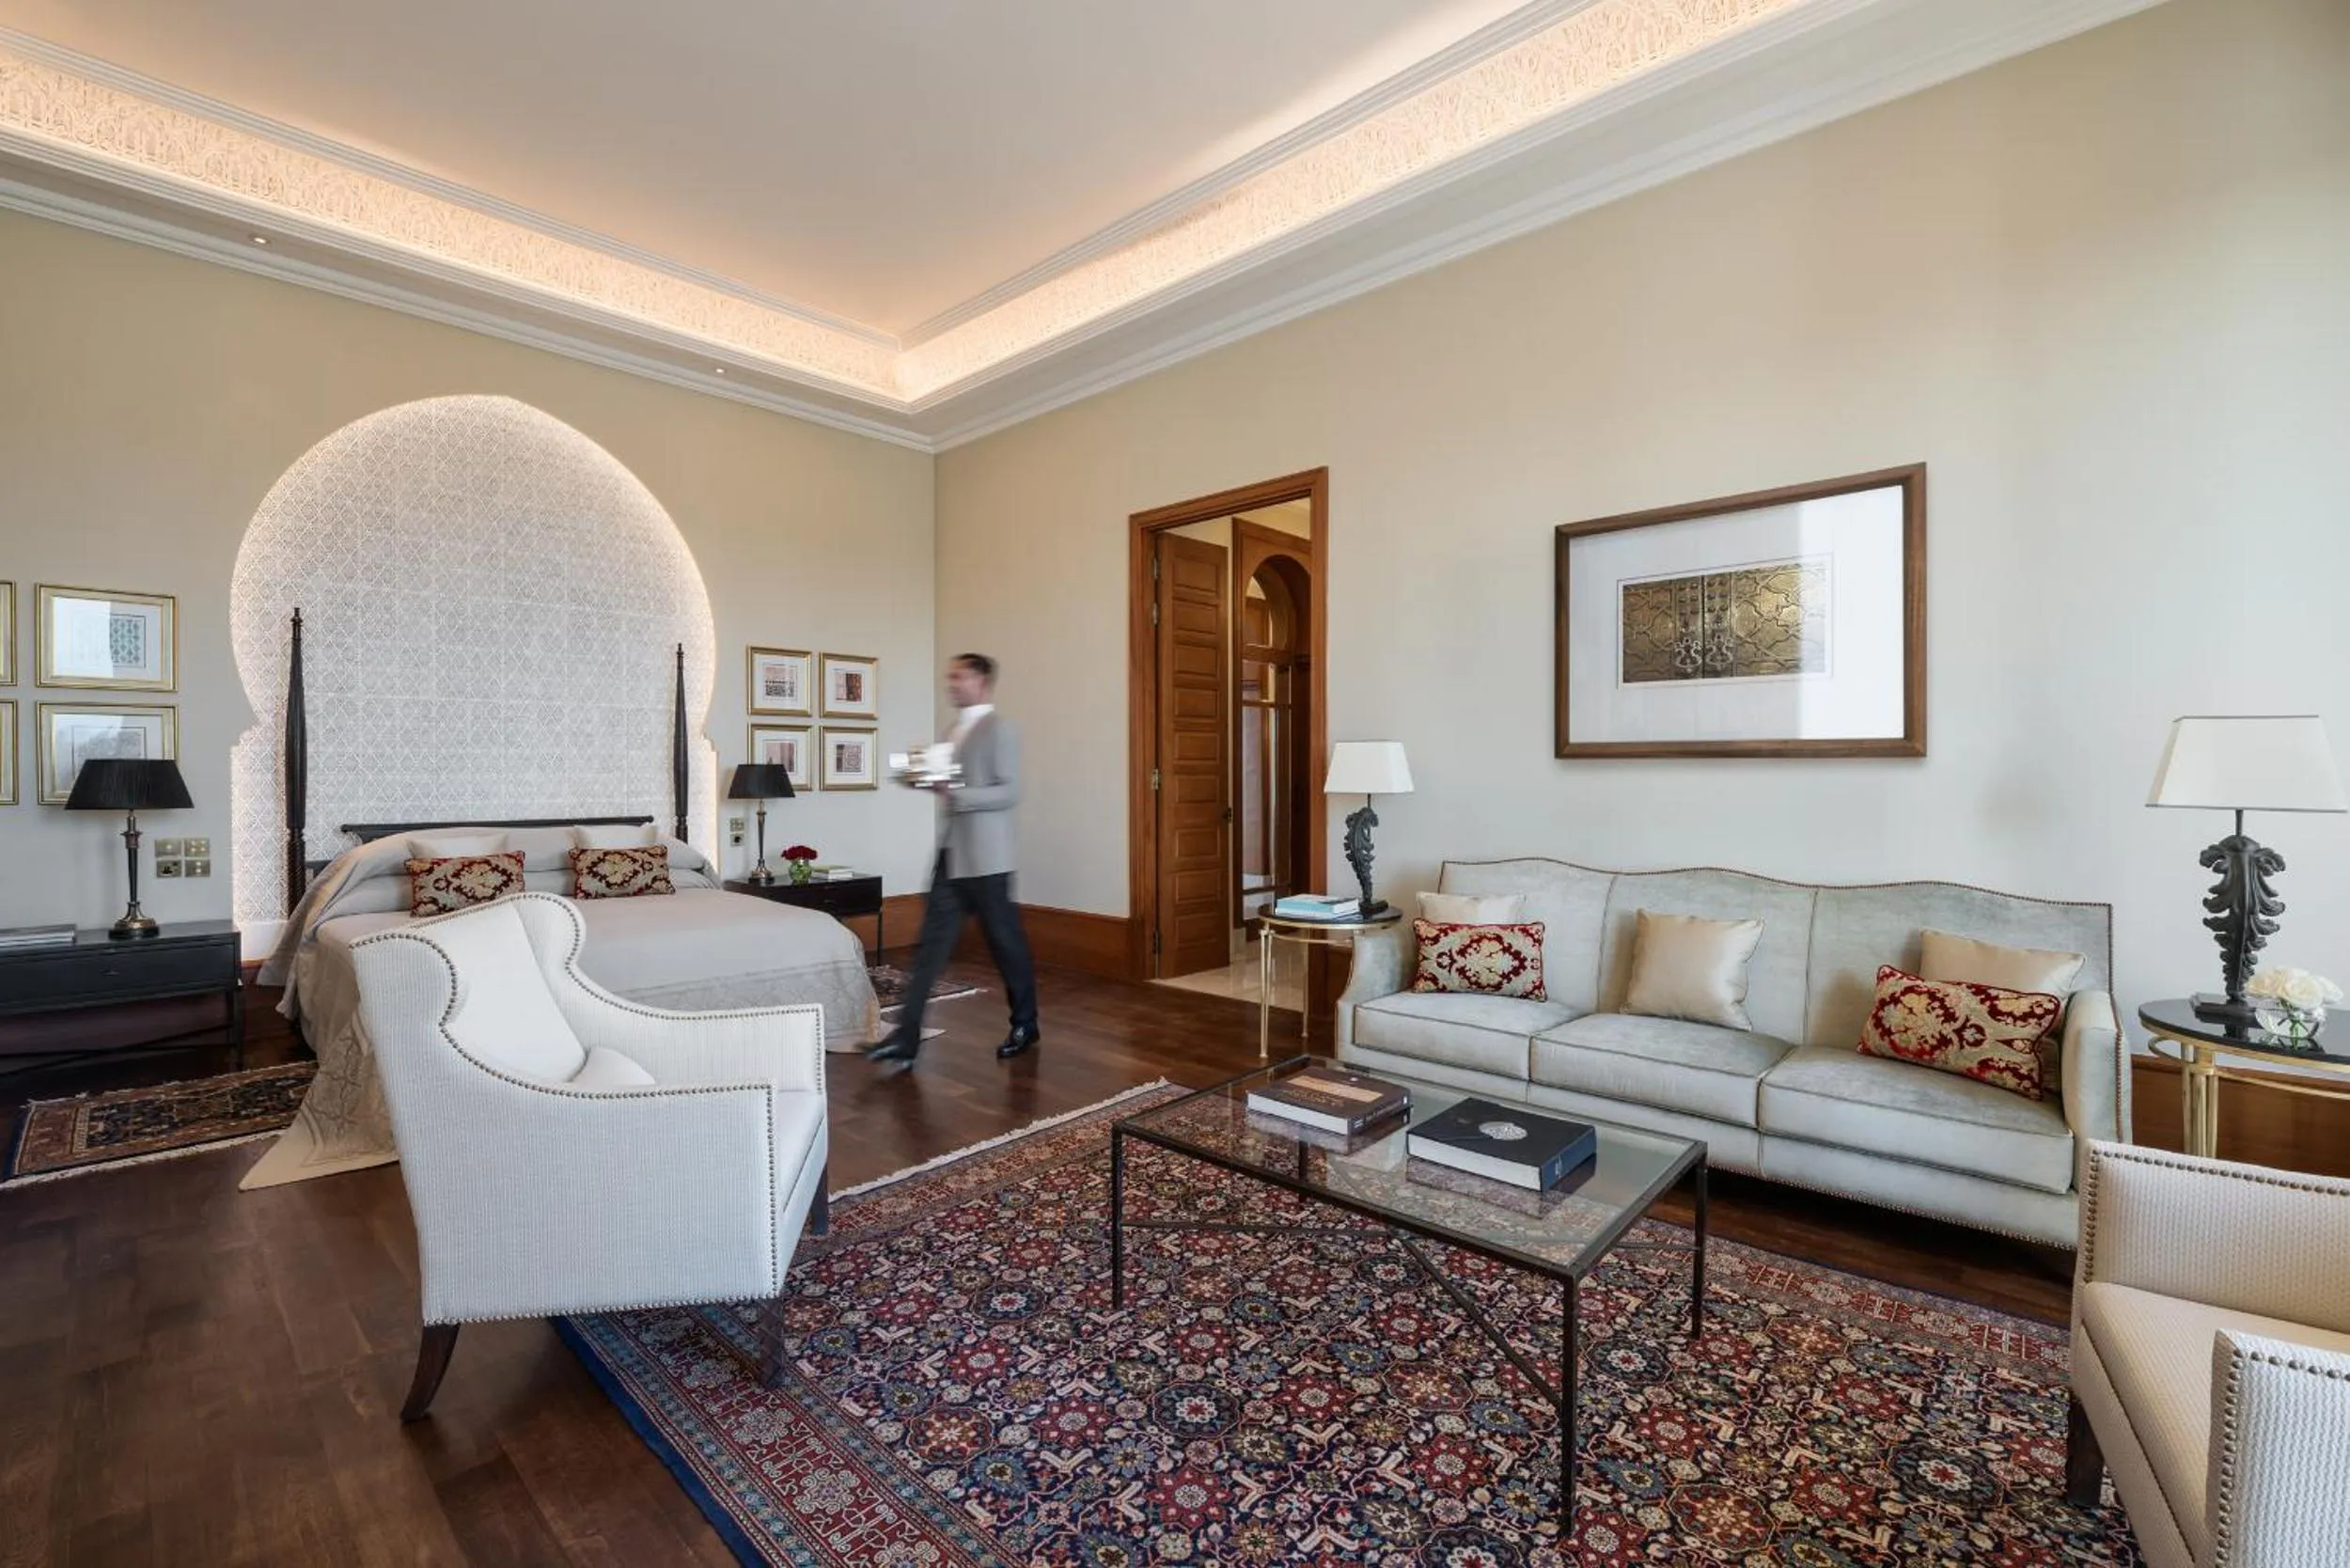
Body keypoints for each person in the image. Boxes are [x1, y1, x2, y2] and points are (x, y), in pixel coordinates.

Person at [865, 652, 1040, 1066]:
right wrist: (922, 779)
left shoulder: (1002, 730)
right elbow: (950, 785)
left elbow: (1008, 792)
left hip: (987, 861)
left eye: (958, 676)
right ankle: (906, 1038)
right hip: (951, 857)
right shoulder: (952, 731)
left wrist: (954, 793)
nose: (951, 683)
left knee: (1005, 946)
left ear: (980, 680)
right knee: (930, 949)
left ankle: (1026, 1023)